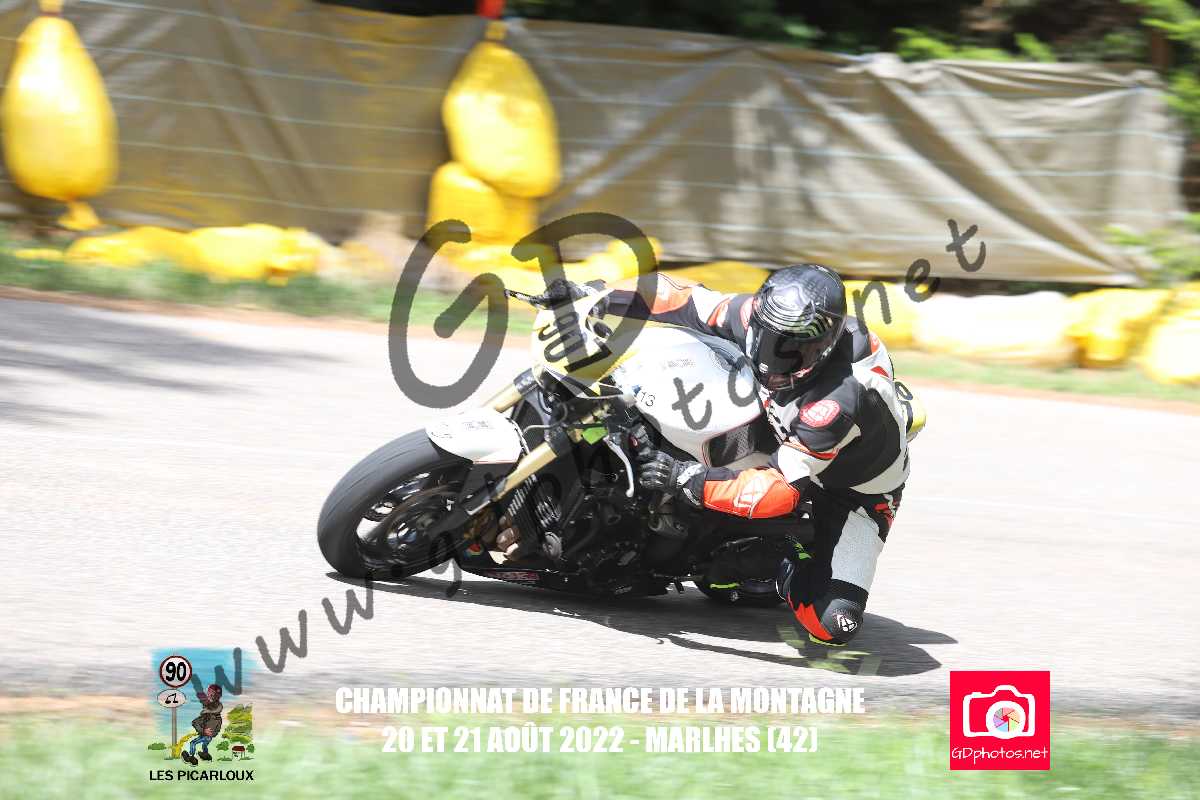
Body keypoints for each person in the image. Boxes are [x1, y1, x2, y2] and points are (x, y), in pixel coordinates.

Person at [537, 264, 910, 646]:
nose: (770, 360)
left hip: (848, 493)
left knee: (833, 625)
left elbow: (780, 489)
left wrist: (686, 478)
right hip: (780, 432)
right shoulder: (771, 319)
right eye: (765, 339)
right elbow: (680, 298)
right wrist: (594, 296)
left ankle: (775, 558)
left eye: (790, 354)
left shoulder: (834, 403)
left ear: (823, 348)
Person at [181, 684, 223, 765]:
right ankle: (205, 755)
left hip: (206, 736)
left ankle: (191, 757)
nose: (210, 695)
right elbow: (217, 728)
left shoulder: (210, 716)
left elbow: (195, 723)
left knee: (193, 743)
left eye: (213, 693)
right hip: (208, 737)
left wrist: (204, 731)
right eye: (210, 693)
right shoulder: (216, 717)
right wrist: (211, 733)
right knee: (204, 745)